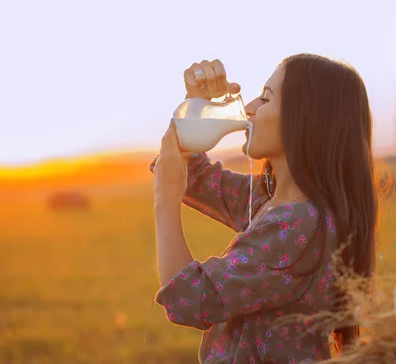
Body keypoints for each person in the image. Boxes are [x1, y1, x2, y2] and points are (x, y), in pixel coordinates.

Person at [150, 54, 378, 363]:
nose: (249, 108)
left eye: (266, 98)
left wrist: (165, 203)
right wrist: (196, 105)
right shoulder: (270, 198)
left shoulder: (299, 224)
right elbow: (193, 174)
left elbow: (190, 299)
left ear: (305, 119)